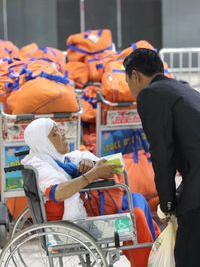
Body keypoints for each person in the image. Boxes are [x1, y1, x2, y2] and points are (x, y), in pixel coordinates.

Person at [22, 117, 160, 267]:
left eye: (59, 129)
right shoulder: (41, 165)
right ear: (44, 143)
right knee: (136, 216)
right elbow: (58, 192)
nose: (62, 133)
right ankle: (148, 261)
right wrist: (92, 174)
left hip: (89, 207)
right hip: (73, 223)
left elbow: (86, 162)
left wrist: (91, 165)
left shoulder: (61, 159)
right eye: (55, 133)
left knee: (137, 200)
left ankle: (155, 254)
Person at [123, 47, 200, 267]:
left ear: (135, 75)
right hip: (194, 176)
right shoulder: (182, 88)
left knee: (188, 253)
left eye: (128, 82)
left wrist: (166, 203)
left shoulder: (150, 94)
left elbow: (162, 153)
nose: (130, 88)